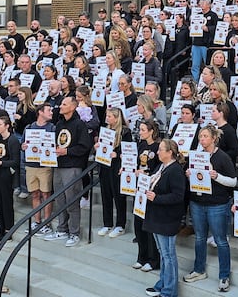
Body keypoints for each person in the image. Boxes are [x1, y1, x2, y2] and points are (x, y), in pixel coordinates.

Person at [184, 126, 238, 292]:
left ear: (214, 138)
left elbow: (234, 181)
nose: (202, 139)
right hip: (197, 202)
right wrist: (188, 173)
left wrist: (217, 176)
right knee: (199, 238)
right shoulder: (196, 156)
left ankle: (224, 276)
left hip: (217, 204)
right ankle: (199, 270)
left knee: (221, 240)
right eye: (200, 136)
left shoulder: (222, 157)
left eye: (205, 136)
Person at [42, 96, 93, 247]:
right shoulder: (59, 124)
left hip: (72, 167)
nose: (61, 106)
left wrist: (67, 151)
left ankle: (74, 232)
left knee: (72, 200)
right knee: (60, 200)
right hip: (58, 165)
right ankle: (62, 228)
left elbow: (85, 147)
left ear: (72, 107)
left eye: (64, 104)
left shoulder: (79, 125)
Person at [143, 139, 187, 297]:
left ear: (170, 153)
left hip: (168, 218)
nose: (158, 152)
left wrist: (156, 198)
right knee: (163, 253)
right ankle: (162, 284)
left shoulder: (175, 170)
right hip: (157, 216)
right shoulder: (162, 166)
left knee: (168, 255)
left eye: (161, 149)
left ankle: (170, 290)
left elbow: (178, 196)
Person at [96, 108, 132, 238]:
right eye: (107, 115)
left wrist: (117, 154)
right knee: (106, 195)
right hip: (105, 165)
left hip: (117, 167)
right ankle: (107, 223)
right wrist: (97, 147)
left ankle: (120, 224)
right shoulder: (105, 130)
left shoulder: (125, 132)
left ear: (116, 118)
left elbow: (129, 150)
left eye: (110, 116)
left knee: (118, 196)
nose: (107, 118)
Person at [21, 103, 56, 236]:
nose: (51, 112)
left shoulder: (52, 128)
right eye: (49, 110)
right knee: (34, 194)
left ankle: (47, 222)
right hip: (31, 165)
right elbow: (23, 144)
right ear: (40, 112)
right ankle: (37, 221)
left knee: (46, 194)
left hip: (45, 166)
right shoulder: (29, 127)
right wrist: (23, 146)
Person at [132, 119, 161, 271]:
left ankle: (153, 259)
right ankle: (141, 257)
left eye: (143, 130)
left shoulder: (157, 147)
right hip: (139, 188)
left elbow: (158, 168)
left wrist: (147, 173)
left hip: (151, 188)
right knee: (138, 224)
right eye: (140, 130)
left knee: (149, 226)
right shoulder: (141, 145)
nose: (140, 132)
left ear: (151, 131)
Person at [0, 115, 20, 244]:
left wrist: (2, 164)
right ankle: (0, 230)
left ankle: (8, 231)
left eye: (0, 124)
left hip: (6, 174)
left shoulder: (13, 140)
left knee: (6, 203)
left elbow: (16, 161)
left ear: (7, 126)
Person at [191, 0, 218, 82]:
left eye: (203, 3)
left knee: (208, 65)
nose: (201, 5)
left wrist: (208, 29)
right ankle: (195, 82)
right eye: (200, 3)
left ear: (209, 5)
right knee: (195, 65)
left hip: (206, 44)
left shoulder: (213, 15)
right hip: (196, 43)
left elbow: (217, 28)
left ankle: (210, 81)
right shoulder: (197, 15)